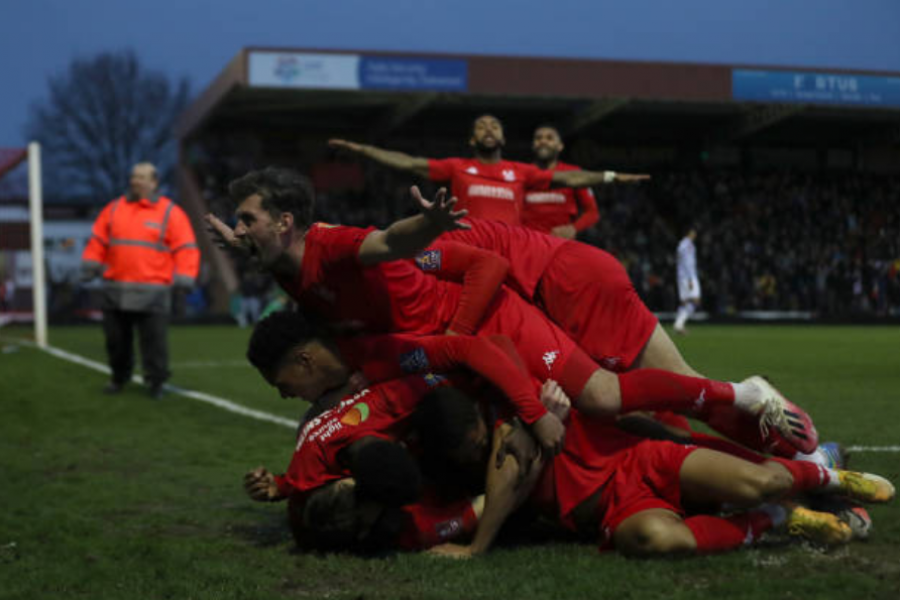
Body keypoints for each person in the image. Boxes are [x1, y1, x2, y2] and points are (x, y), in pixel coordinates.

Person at [418, 385, 895, 559]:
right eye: (467, 452)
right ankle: (775, 518)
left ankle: (832, 477)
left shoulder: (514, 412)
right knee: (654, 539)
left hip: (645, 459)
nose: (477, 454)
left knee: (759, 478)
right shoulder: (476, 461)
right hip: (618, 509)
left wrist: (475, 550)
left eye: (477, 442)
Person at [328, 114, 648, 226]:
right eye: (481, 126)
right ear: (472, 138)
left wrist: (612, 177)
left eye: (494, 125)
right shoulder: (456, 167)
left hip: (510, 251)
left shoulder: (520, 172)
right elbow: (408, 162)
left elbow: (571, 177)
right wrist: (363, 151)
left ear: (503, 137)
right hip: (467, 247)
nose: (488, 129)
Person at [81, 162, 199, 399]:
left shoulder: (170, 213)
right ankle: (118, 377)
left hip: (153, 292)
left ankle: (156, 383)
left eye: (143, 177)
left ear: (154, 182)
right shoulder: (113, 209)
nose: (137, 181)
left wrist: (185, 277)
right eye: (134, 176)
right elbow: (97, 241)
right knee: (116, 342)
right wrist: (90, 264)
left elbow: (186, 248)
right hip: (115, 290)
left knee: (154, 345)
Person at [522, 124, 600, 239]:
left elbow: (592, 212)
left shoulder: (573, 173)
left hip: (560, 244)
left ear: (560, 146)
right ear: (533, 145)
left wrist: (574, 228)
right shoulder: (521, 173)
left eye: (549, 138)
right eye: (538, 138)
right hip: (527, 243)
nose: (543, 141)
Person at [674, 227, 700, 335]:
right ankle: (679, 324)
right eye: (693, 233)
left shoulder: (681, 245)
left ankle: (678, 325)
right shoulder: (688, 245)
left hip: (681, 276)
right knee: (695, 300)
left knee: (685, 302)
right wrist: (690, 278)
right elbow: (687, 262)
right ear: (689, 233)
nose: (695, 235)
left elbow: (679, 260)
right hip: (688, 276)